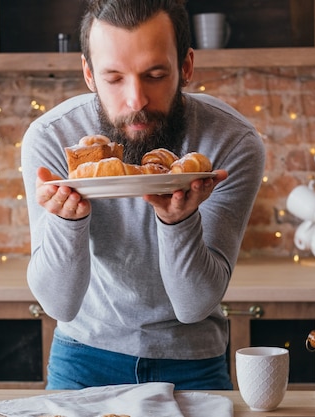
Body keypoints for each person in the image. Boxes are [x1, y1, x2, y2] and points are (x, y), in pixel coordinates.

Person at [21, 0, 265, 390]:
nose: (136, 102)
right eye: (114, 78)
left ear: (186, 66)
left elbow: (193, 306)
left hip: (192, 362)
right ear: (88, 74)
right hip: (83, 357)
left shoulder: (231, 143)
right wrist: (68, 221)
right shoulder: (53, 139)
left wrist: (179, 220)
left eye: (154, 75)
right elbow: (59, 304)